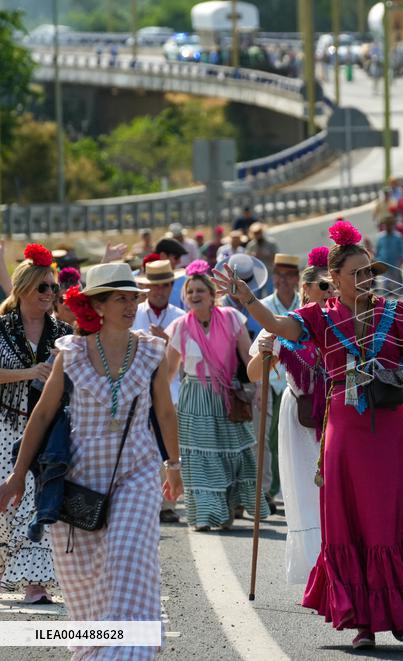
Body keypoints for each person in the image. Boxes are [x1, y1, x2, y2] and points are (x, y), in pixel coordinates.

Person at [211, 219, 403, 649]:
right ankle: (362, 622)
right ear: (333, 279)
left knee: (389, 517)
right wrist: (245, 298)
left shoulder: (396, 314)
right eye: (354, 273)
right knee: (351, 521)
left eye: (368, 272)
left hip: (388, 430)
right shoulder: (318, 317)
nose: (364, 280)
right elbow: (278, 326)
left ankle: (398, 610)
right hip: (342, 428)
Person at [0, 262, 183, 660]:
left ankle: (126, 654)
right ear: (96, 305)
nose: (130, 304)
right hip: (79, 482)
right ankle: (98, 650)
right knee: (84, 585)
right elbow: (44, 414)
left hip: (135, 473)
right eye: (120, 297)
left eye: (132, 296)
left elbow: (165, 413)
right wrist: (17, 477)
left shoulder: (152, 351)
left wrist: (174, 464)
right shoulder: (72, 352)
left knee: (126, 558)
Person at [246, 249, 333, 584]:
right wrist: (267, 350)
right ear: (307, 289)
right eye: (324, 285)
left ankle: (339, 562)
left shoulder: (342, 323)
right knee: (305, 491)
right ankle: (314, 566)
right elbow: (254, 373)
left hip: (337, 415)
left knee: (336, 491)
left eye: (333, 285)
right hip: (300, 418)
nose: (330, 292)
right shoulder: (287, 326)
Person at [165, 260, 269, 531]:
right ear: (185, 298)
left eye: (201, 290)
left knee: (232, 455)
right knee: (199, 458)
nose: (195, 296)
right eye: (190, 292)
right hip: (195, 399)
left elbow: (248, 358)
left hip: (227, 396)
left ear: (213, 295)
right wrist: (157, 401)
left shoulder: (233, 319)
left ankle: (226, 508)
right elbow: (168, 370)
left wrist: (259, 387)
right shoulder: (180, 326)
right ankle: (203, 515)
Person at [0, 245, 72, 604]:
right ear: (24, 288)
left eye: (53, 287)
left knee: (32, 499)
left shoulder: (62, 331)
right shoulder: (2, 328)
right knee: (6, 503)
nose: (50, 294)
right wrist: (29, 372)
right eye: (43, 287)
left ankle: (35, 583)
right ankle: (7, 568)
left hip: (46, 429)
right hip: (5, 426)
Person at [135, 260, 186, 524]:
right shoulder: (134, 312)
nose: (160, 290)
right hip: (137, 390)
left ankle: (167, 503)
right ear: (148, 287)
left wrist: (168, 343)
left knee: (167, 444)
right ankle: (144, 501)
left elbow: (190, 356)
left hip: (171, 388)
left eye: (165, 284)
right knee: (142, 447)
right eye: (155, 285)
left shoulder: (179, 315)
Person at [258, 254, 303, 505]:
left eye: (288, 276)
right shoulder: (262, 305)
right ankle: (269, 490)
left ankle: (287, 489)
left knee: (289, 440)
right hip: (270, 381)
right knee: (268, 439)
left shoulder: (304, 306)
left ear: (297, 278)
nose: (282, 280)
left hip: (296, 383)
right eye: (278, 275)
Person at [374, 218, 403, 297]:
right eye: (386, 225)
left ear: (393, 226)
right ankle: (387, 295)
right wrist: (376, 259)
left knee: (396, 281)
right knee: (385, 281)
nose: (387, 227)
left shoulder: (397, 236)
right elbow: (377, 249)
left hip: (395, 262)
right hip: (384, 263)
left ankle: (398, 295)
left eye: (389, 225)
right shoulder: (380, 237)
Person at [155, 238, 189, 309]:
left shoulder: (183, 280)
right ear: (163, 256)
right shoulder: (141, 281)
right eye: (176, 257)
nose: (179, 262)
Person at [246, 223, 279, 295]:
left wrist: (267, 255)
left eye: (259, 233)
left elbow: (277, 257)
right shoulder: (251, 246)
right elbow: (246, 261)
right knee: (256, 296)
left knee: (270, 294)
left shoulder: (271, 243)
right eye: (255, 233)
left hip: (269, 273)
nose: (258, 235)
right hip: (256, 276)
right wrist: (252, 257)